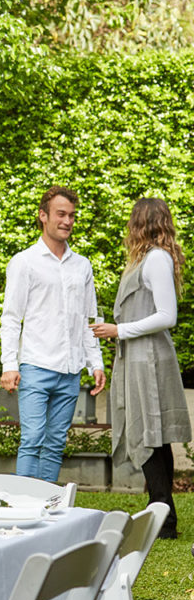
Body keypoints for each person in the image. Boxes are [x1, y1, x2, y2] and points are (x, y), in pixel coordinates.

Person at [91, 198, 191, 539]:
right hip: (139, 357)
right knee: (153, 435)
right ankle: (161, 512)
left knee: (150, 433)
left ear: (140, 224)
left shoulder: (156, 259)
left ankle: (163, 517)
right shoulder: (147, 259)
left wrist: (119, 330)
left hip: (149, 359)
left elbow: (167, 316)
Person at [0, 186, 106, 482]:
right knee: (32, 440)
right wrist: (9, 365)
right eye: (61, 214)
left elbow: (89, 320)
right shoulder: (24, 262)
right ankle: (24, 502)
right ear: (43, 216)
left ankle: (47, 504)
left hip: (70, 371)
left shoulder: (82, 266)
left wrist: (95, 363)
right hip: (35, 366)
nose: (67, 221)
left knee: (56, 444)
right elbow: (11, 317)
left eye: (71, 215)